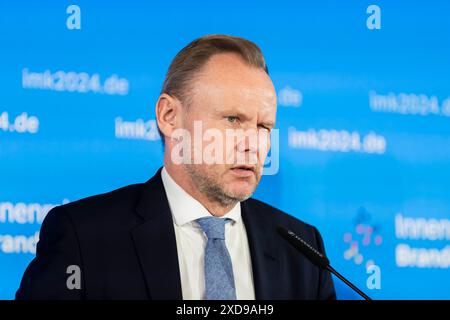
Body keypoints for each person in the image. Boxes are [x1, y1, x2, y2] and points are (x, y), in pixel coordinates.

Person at [16, 34, 336, 300]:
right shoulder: (84, 237)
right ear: (169, 116)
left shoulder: (302, 249)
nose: (253, 144)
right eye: (233, 120)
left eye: (264, 126)